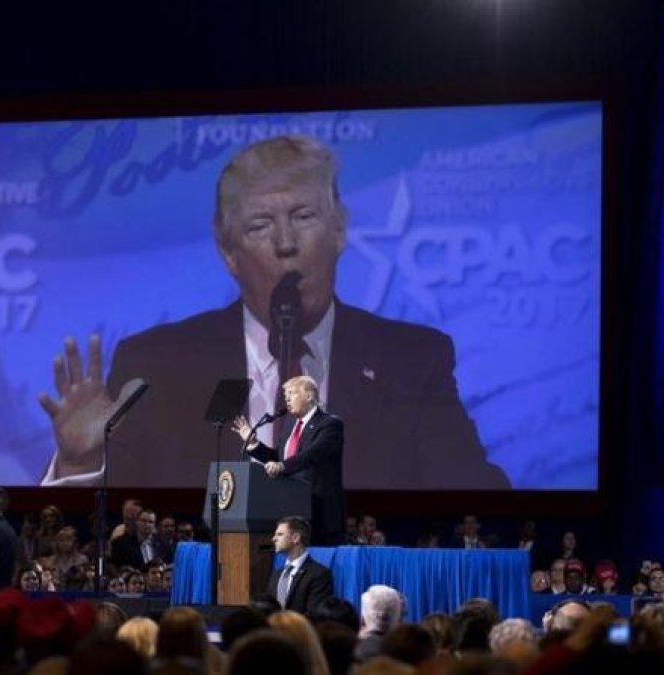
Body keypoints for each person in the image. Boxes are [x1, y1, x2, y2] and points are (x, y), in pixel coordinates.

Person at [38, 135, 509, 490]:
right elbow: (120, 519)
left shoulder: (411, 358)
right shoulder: (157, 365)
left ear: (339, 231)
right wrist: (79, 462)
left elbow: (472, 493)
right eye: (261, 225)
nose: (286, 244)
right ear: (228, 253)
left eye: (304, 217)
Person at [234, 375, 344, 544]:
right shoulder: (289, 428)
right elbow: (278, 458)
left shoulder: (330, 424)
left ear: (309, 396)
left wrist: (282, 466)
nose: (287, 399)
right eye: (285, 395)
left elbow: (312, 454)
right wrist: (254, 444)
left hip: (317, 509)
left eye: (292, 393)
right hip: (289, 506)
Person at [265, 516, 333, 616]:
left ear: (296, 538)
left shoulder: (319, 574)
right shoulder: (276, 574)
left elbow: (314, 614)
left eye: (280, 534)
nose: (273, 539)